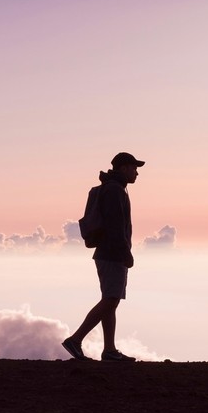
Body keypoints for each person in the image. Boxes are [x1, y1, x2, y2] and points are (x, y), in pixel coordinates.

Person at [62, 152, 144, 362]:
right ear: (124, 168)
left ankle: (109, 350)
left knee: (110, 300)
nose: (136, 173)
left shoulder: (114, 189)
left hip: (107, 253)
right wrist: (126, 253)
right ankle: (76, 339)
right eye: (134, 168)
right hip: (112, 254)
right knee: (111, 299)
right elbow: (115, 226)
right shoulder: (115, 191)